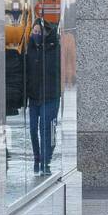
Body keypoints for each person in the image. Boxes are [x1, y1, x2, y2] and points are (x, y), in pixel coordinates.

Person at [26, 17, 62, 175]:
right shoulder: (30, 49)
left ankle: (46, 160)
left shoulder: (54, 49)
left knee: (46, 129)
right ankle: (37, 157)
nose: (35, 35)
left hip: (50, 97)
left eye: (38, 32)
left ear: (45, 34)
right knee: (33, 129)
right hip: (34, 98)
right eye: (33, 32)